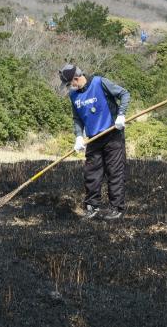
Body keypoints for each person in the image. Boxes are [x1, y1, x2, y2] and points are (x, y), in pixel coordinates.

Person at [59, 63, 130, 220]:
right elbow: (77, 118)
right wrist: (78, 136)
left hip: (113, 134)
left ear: (77, 78)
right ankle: (92, 207)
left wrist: (121, 115)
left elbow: (124, 94)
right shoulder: (74, 95)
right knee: (91, 173)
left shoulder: (100, 82)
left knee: (115, 172)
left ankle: (116, 208)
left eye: (71, 83)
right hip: (93, 139)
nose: (70, 87)